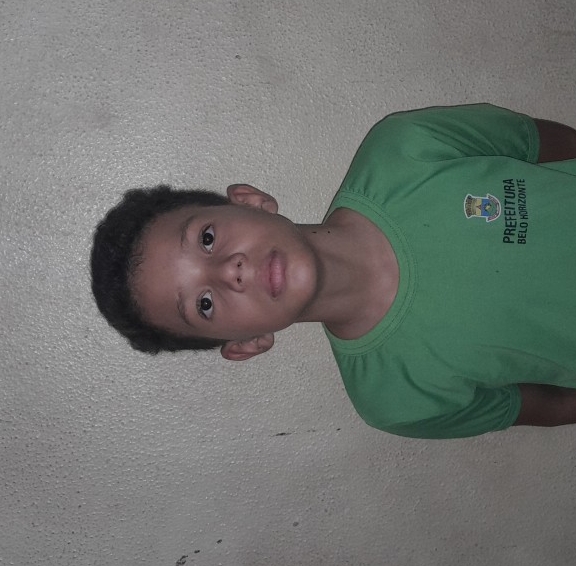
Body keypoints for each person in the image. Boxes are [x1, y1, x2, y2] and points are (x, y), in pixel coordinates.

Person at [91, 103, 576, 439]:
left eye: (207, 239)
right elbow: (551, 406)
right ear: (245, 343)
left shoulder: (405, 148)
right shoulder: (396, 400)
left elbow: (539, 142)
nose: (228, 273)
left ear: (249, 201)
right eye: (203, 303)